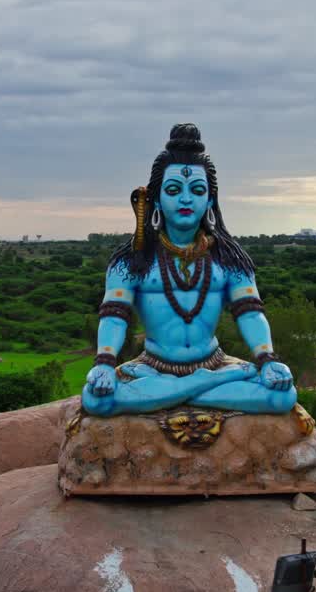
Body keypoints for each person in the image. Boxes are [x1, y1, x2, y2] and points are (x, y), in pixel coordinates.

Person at [81, 123, 297, 416]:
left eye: (197, 190)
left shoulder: (229, 258)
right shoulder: (130, 261)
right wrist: (104, 364)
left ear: (210, 199)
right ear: (156, 198)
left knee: (282, 397)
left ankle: (175, 392)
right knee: (97, 400)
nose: (185, 199)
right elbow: (114, 317)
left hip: (213, 361)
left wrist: (268, 360)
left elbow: (250, 313)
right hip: (153, 365)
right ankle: (207, 385)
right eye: (173, 190)